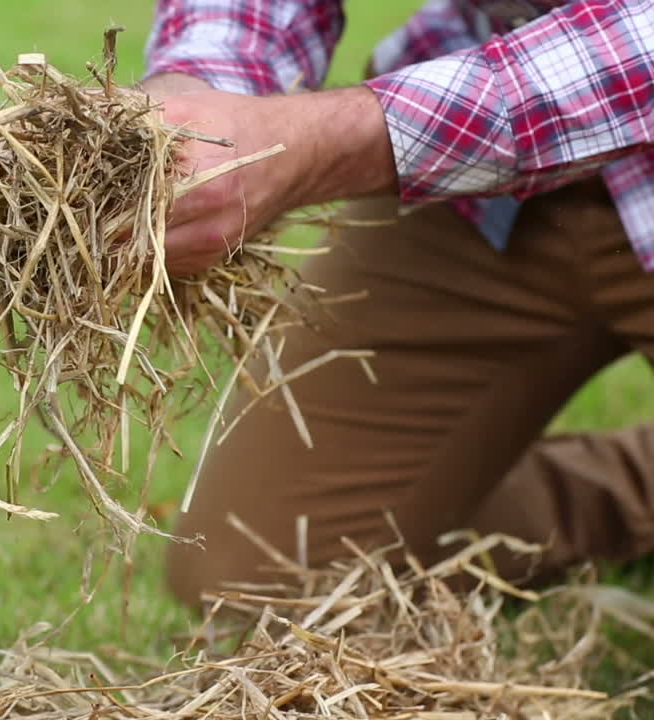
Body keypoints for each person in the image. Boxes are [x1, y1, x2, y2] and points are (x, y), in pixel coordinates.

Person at [139, 0, 654, 609]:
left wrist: (315, 142)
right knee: (262, 574)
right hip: (485, 186)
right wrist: (196, 100)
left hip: (580, 133)